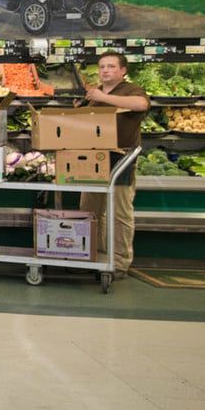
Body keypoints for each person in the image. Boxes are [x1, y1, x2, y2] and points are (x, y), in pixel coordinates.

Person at [78, 51, 148, 279]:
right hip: (93, 159)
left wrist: (103, 97)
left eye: (111, 66)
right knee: (90, 210)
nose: (105, 70)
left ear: (123, 70)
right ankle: (93, 255)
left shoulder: (131, 90)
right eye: (102, 67)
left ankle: (119, 263)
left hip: (121, 160)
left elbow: (141, 104)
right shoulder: (95, 94)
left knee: (120, 213)